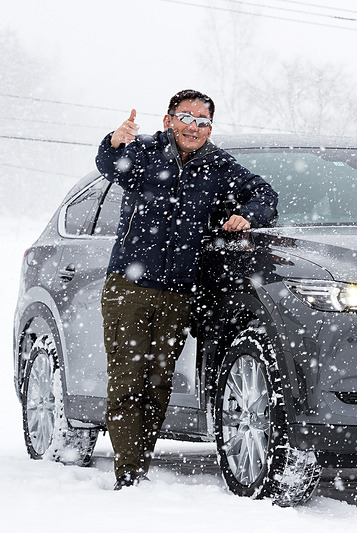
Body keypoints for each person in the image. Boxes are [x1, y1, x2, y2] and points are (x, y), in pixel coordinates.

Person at [95, 89, 277, 490]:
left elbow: (265, 194)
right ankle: (128, 473)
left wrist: (247, 214)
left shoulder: (217, 165)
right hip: (129, 286)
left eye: (203, 121)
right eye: (186, 117)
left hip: (178, 291)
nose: (194, 127)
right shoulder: (143, 153)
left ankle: (139, 460)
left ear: (211, 128)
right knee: (128, 378)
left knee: (158, 381)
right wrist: (114, 140)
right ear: (168, 120)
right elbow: (110, 166)